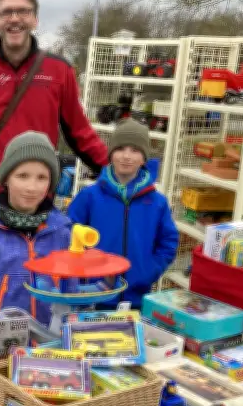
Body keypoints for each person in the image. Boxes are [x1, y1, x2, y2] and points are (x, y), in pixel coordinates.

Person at [0, 0, 109, 225]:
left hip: (38, 204)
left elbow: (80, 134)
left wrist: (117, 174)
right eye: (6, 12)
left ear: (35, 19)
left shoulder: (59, 71)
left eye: (23, 11)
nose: (14, 18)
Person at [0, 131, 71, 326]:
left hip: (51, 349)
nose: (31, 187)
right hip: (0, 353)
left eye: (41, 177)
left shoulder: (63, 233)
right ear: (6, 178)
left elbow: (71, 297)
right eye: (22, 176)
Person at [66, 118, 179, 309]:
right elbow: (68, 235)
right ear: (110, 154)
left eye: (135, 151)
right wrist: (84, 273)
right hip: (93, 296)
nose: (126, 156)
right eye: (120, 149)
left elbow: (168, 242)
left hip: (137, 299)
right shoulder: (89, 197)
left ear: (144, 159)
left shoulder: (157, 202)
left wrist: (149, 271)